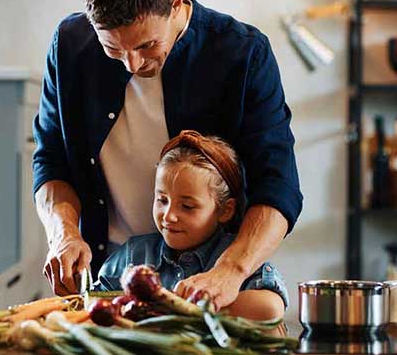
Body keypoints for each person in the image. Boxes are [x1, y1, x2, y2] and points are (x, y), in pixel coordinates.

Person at [33, 0, 303, 309]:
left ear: (175, 4)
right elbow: (51, 161)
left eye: (146, 46)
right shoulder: (69, 47)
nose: (132, 65)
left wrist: (231, 271)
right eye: (113, 50)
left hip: (209, 283)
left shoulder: (243, 54)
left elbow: (278, 187)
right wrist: (62, 233)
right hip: (109, 280)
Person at [95, 130, 288, 321]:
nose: (169, 216)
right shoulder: (133, 254)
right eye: (162, 200)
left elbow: (270, 308)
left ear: (225, 210)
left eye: (187, 206)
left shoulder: (238, 254)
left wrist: (179, 311)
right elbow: (92, 302)